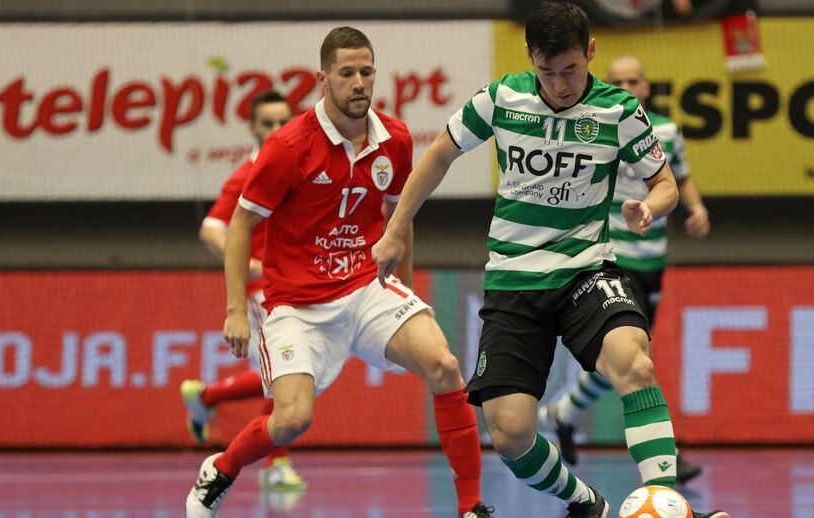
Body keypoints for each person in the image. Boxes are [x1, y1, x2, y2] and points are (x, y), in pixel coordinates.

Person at [372, 3, 728, 518]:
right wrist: (396, 227)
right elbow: (440, 155)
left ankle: (670, 506)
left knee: (635, 361)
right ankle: (586, 504)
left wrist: (648, 207)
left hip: (587, 269)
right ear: (530, 59)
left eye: (570, 70)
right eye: (547, 72)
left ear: (590, 52)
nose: (560, 84)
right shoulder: (501, 98)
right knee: (511, 434)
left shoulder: (619, 111)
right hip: (514, 281)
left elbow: (666, 183)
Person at [185, 27, 493, 518]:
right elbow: (240, 223)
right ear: (322, 79)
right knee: (290, 421)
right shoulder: (288, 146)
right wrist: (235, 309)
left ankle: (471, 505)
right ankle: (220, 469)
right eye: (346, 73)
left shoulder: (395, 138)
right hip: (296, 304)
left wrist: (405, 291)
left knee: (445, 366)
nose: (358, 83)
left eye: (366, 72)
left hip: (367, 287)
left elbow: (400, 220)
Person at [538, 55, 710, 484]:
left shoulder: (667, 131)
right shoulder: (594, 128)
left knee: (622, 362)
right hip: (612, 259)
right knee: (637, 360)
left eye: (635, 80)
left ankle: (562, 412)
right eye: (618, 81)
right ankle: (666, 463)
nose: (628, 87)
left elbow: (679, 175)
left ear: (647, 87)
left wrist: (696, 206)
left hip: (653, 259)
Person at [180, 89, 305, 492]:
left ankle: (207, 396)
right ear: (252, 128)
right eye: (267, 123)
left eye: (282, 121)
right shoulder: (249, 172)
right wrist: (250, 265)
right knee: (286, 373)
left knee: (287, 374)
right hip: (263, 289)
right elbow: (211, 228)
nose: (275, 129)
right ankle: (276, 464)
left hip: (297, 282)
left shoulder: (299, 164)